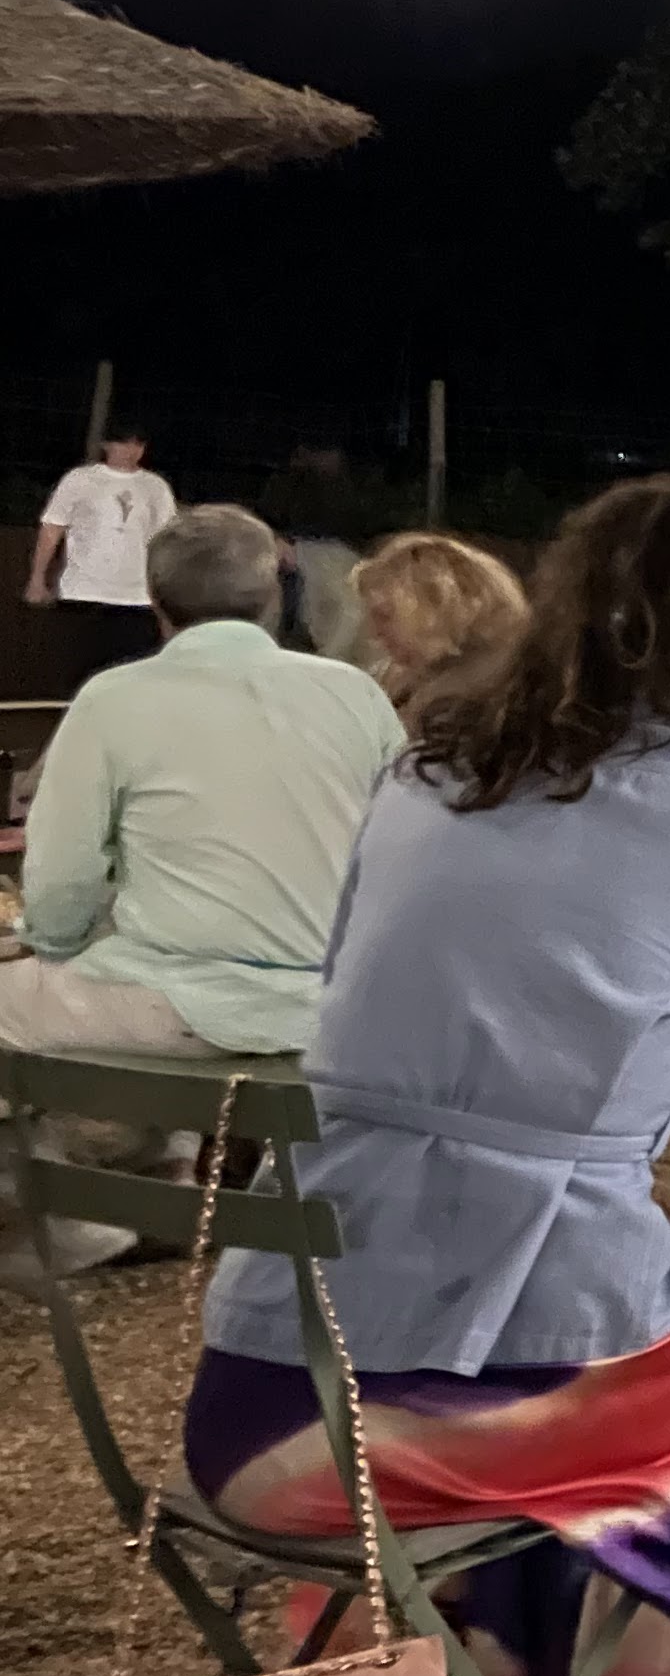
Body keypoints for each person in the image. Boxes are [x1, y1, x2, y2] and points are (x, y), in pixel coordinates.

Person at [183, 472, 670, 1676]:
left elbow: (383, 1034)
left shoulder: (426, 773)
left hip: (267, 1406)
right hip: (439, 1409)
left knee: (563, 1499)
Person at [9, 503, 405, 1276]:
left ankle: (51, 1222)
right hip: (335, 1005)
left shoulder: (115, 698)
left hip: (186, 1007)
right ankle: (161, 1179)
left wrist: (54, 946)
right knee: (151, 954)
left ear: (155, 602)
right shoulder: (357, 696)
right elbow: (395, 854)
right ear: (272, 594)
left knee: (103, 975)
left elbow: (59, 889)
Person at [27, 426, 175, 688]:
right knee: (78, 676)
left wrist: (164, 596)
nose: (131, 451)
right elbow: (52, 528)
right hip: (83, 592)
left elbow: (166, 540)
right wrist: (38, 578)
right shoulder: (80, 480)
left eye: (138, 445)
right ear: (107, 445)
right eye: (124, 443)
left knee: (128, 679)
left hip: (136, 598)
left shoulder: (155, 487)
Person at [348, 530, 528, 723]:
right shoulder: (391, 679)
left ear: (441, 607)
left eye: (385, 616)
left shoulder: (499, 699)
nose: (374, 634)